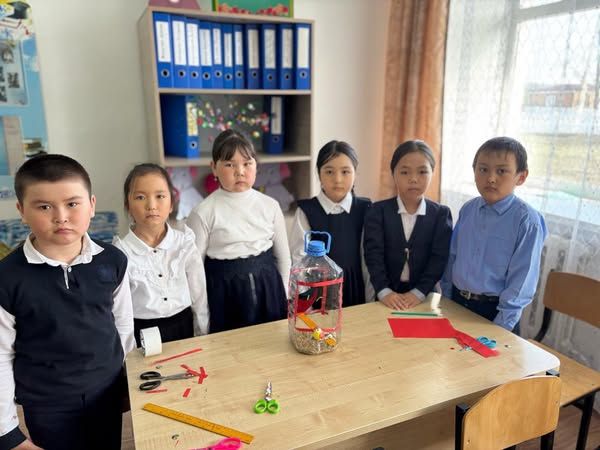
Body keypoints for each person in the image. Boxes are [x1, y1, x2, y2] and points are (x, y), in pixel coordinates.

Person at [0, 154, 135, 450]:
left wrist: (128, 381)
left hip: (105, 392)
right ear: (22, 211)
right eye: (44, 207)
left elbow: (123, 326)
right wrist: (7, 433)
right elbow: (1, 355)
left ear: (92, 205)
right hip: (48, 404)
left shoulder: (114, 261)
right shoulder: (7, 278)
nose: (61, 217)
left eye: (72, 204)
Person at [187, 129, 291, 333]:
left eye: (247, 163)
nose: (240, 171)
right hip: (224, 293)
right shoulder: (203, 212)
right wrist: (201, 320)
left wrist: (285, 296)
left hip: (268, 287)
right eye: (229, 164)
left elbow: (284, 258)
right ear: (214, 168)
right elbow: (194, 271)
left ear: (256, 165)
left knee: (271, 342)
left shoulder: (270, 205)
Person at [441, 137, 547, 333]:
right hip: (456, 301)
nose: (490, 178)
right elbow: (452, 257)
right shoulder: (468, 209)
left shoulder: (527, 221)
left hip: (495, 312)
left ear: (521, 177)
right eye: (483, 169)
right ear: (474, 172)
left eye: (501, 171)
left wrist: (501, 327)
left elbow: (522, 281)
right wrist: (446, 299)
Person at [113, 163, 208, 347]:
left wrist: (203, 331)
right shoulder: (121, 252)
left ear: (171, 204)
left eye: (160, 196)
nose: (151, 206)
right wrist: (127, 351)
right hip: (142, 333)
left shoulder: (184, 243)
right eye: (140, 197)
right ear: (128, 206)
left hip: (183, 326)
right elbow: (121, 310)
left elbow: (199, 292)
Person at [364, 140, 453, 310]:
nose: (413, 179)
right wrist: (384, 291)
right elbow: (373, 255)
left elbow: (439, 259)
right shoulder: (377, 211)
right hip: (386, 296)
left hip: (425, 297)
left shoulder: (441, 214)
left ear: (432, 173)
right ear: (393, 173)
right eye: (404, 172)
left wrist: (419, 293)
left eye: (422, 172)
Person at [289, 140, 373, 306]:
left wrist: (370, 298)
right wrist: (306, 300)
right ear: (319, 173)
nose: (337, 179)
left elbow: (369, 259)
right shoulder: (306, 211)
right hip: (319, 290)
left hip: (355, 287)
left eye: (345, 172)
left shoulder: (366, 208)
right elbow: (299, 259)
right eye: (329, 171)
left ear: (355, 173)